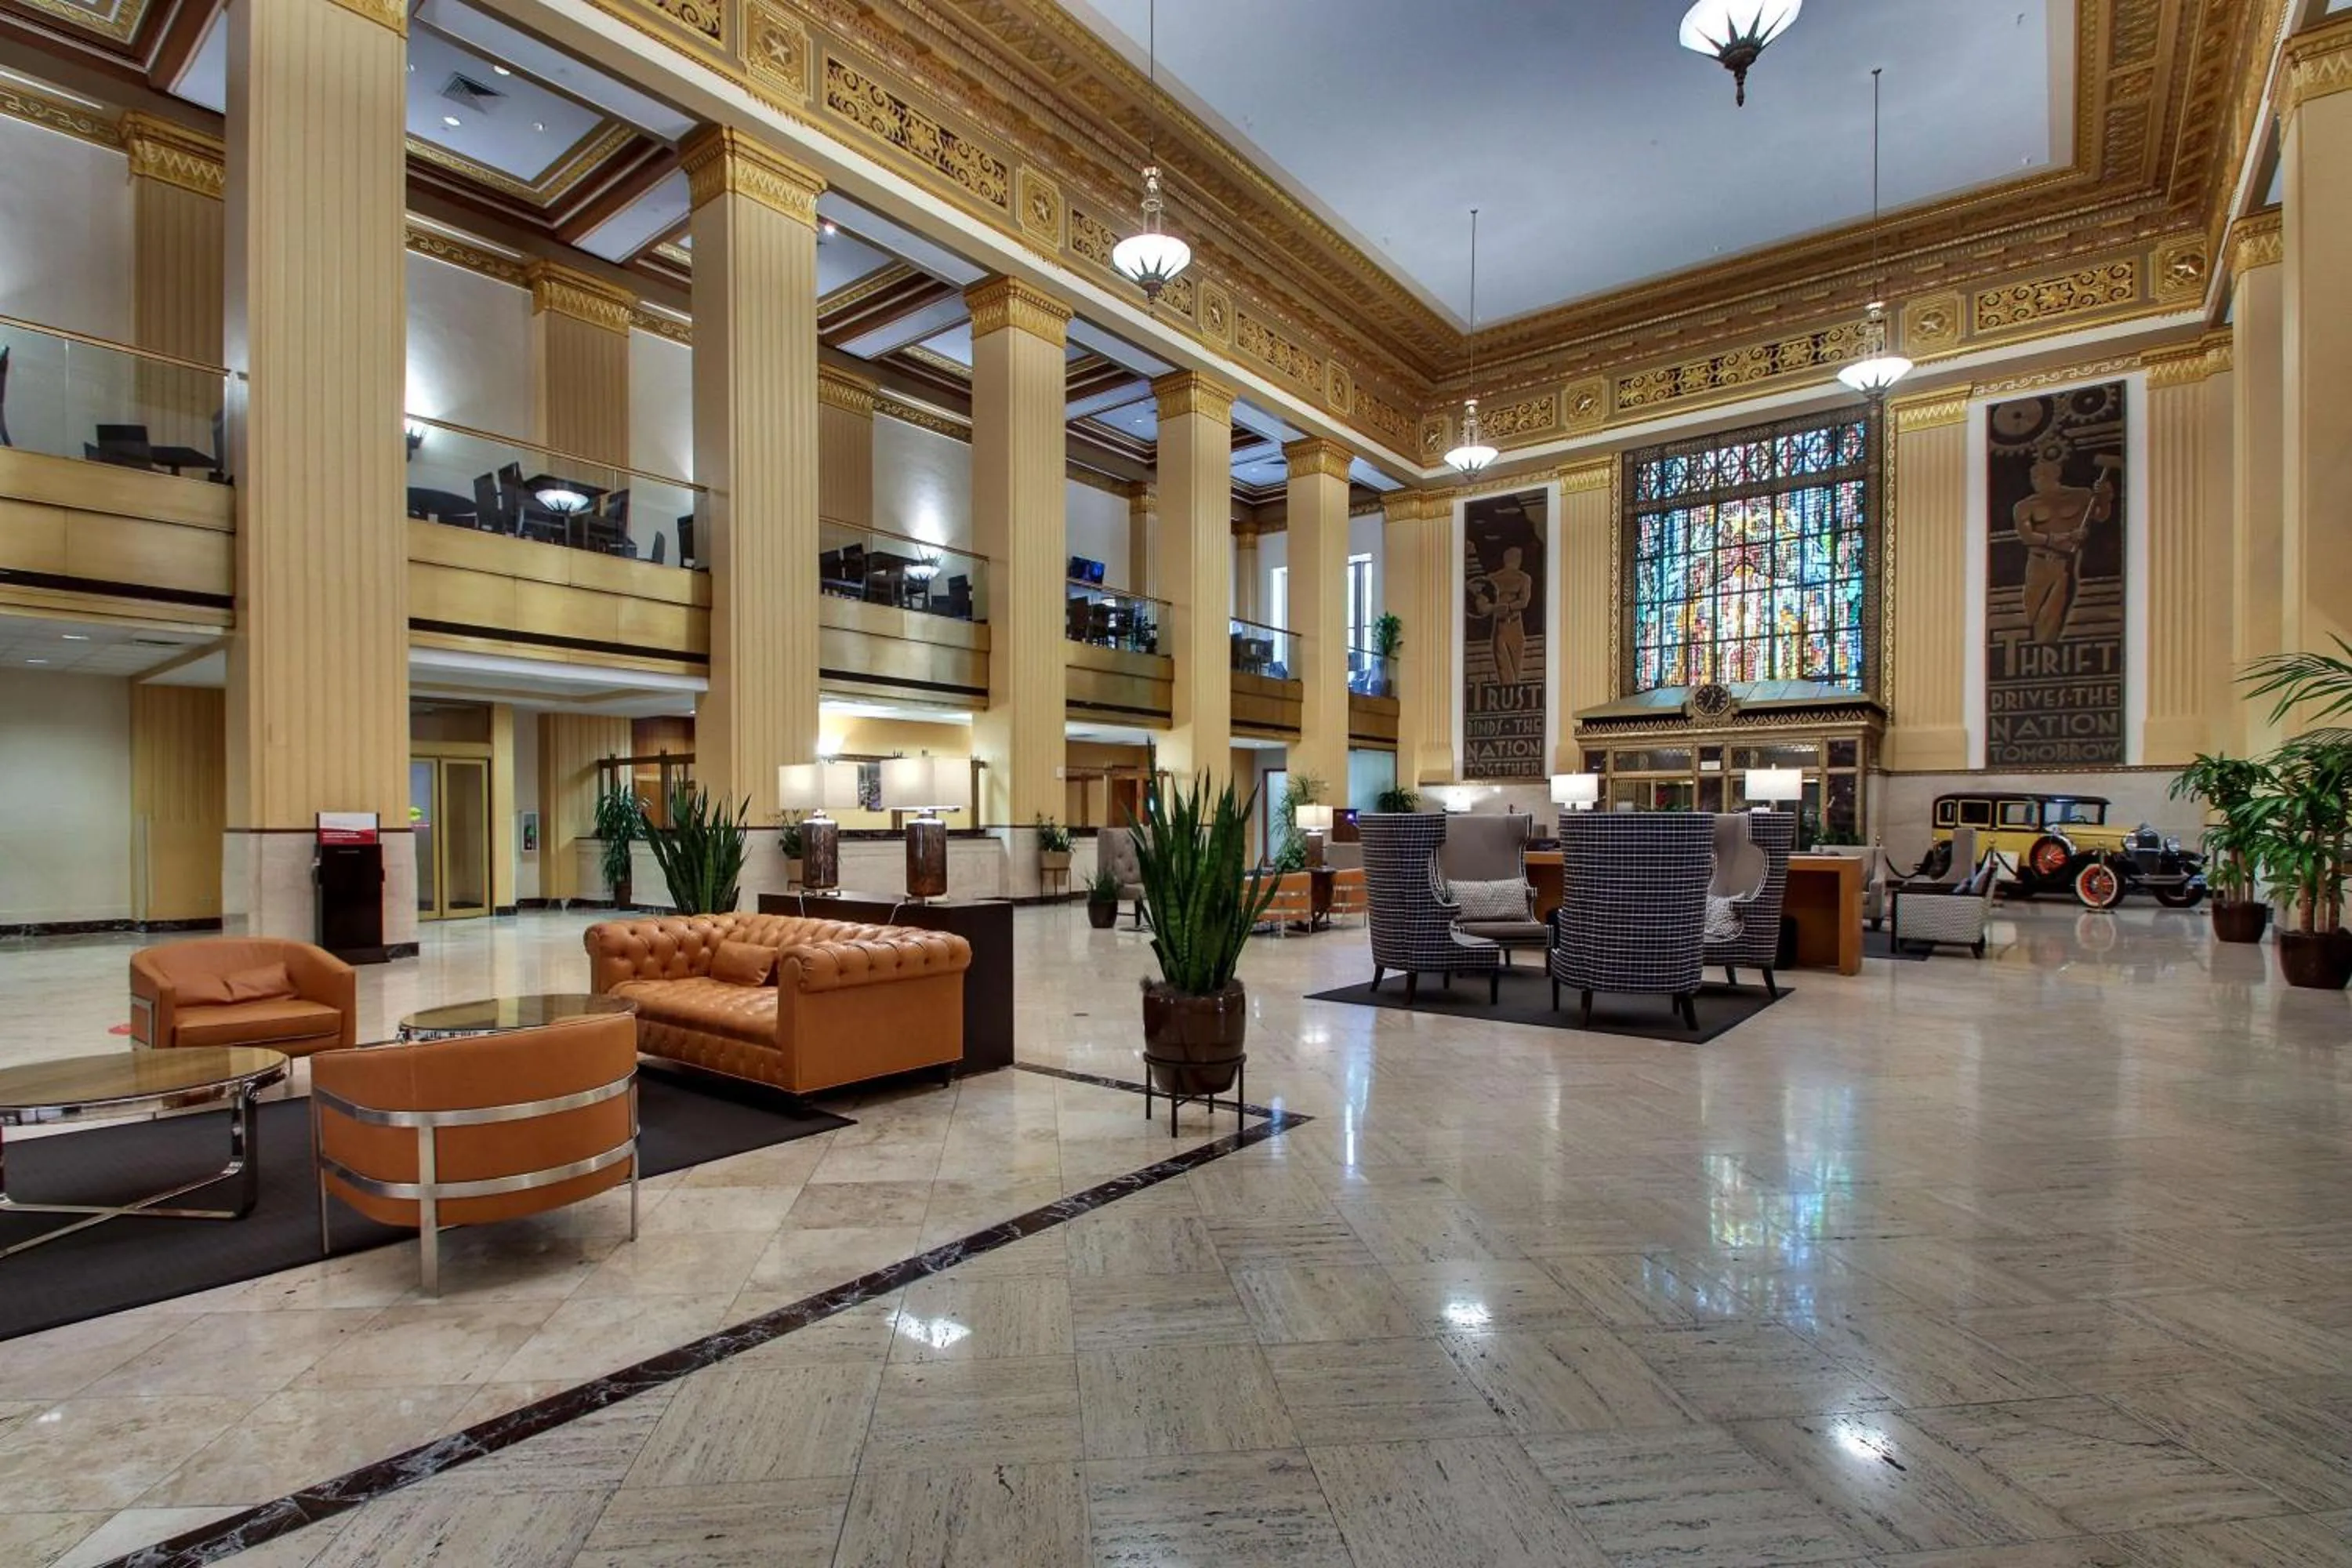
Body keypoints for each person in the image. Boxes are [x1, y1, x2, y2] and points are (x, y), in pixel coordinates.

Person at [2012, 455, 2113, 644]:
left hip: (2065, 563)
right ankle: (2036, 646)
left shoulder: (2081, 496)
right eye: (2034, 477)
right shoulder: (2025, 506)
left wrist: (2105, 497)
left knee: (2054, 613)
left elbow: (2100, 515)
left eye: (2041, 476)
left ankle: (2044, 649)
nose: (2036, 481)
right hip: (2037, 564)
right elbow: (2028, 536)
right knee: (2032, 612)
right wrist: (2066, 537)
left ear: (2054, 476)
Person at [1469, 544, 1534, 685]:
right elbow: (1481, 605)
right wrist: (1496, 607)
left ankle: (1513, 700)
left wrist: (1506, 606)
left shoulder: (1523, 578)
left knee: (1514, 670)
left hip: (1514, 627)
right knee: (1505, 671)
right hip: (1502, 627)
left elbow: (1524, 602)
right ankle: (1510, 697)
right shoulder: (1494, 579)